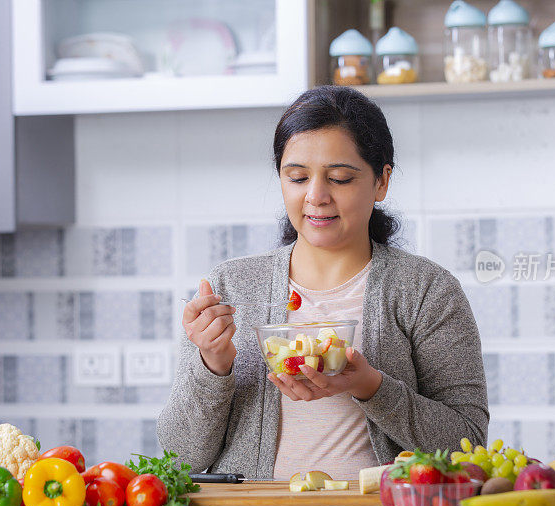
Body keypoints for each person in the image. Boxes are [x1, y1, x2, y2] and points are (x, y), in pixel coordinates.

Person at [157, 85, 488, 480]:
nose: (316, 196)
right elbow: (180, 460)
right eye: (296, 177)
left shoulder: (426, 290)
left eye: (340, 179)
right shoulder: (230, 287)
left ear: (382, 181)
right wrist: (213, 365)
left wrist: (371, 387)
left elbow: (469, 444)